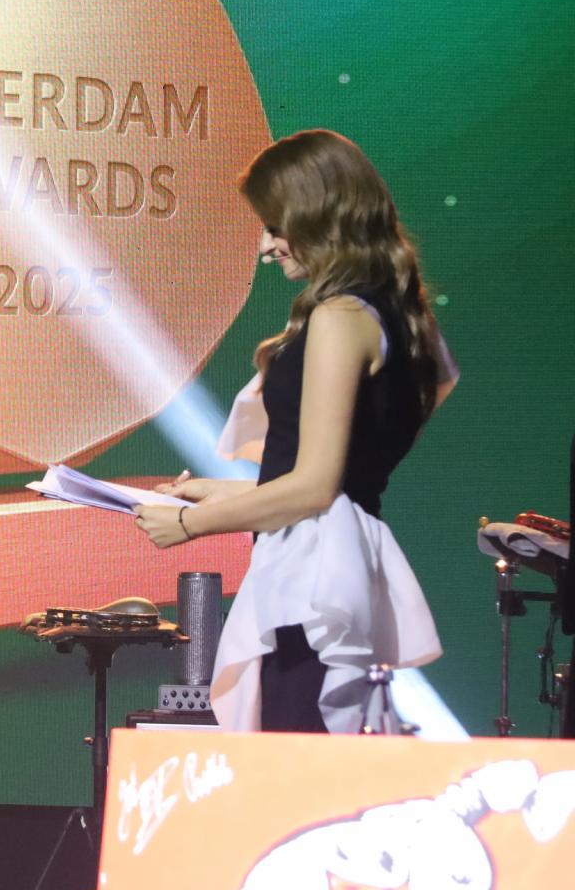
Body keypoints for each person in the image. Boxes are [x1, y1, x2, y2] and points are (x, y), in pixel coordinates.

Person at [134, 129, 454, 733]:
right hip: (329, 564)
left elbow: (314, 488)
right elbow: (343, 476)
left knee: (300, 743)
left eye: (276, 227)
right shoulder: (396, 317)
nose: (265, 247)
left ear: (320, 217)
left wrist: (191, 525)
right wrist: (219, 492)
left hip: (314, 576)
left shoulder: (340, 317)